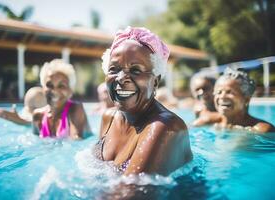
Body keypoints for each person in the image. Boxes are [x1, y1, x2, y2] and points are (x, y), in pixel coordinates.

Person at [94, 27, 192, 176]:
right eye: (114, 69)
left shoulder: (166, 127)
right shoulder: (108, 118)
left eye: (135, 70)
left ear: (155, 81)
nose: (121, 78)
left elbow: (129, 193)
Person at [32, 59, 90, 139]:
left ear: (70, 91)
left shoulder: (75, 109)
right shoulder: (38, 116)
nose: (55, 91)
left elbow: (77, 140)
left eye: (61, 86)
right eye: (49, 85)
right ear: (43, 88)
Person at [213, 67, 275, 133]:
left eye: (229, 92)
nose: (222, 96)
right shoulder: (214, 124)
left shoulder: (261, 130)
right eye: (218, 92)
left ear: (246, 99)